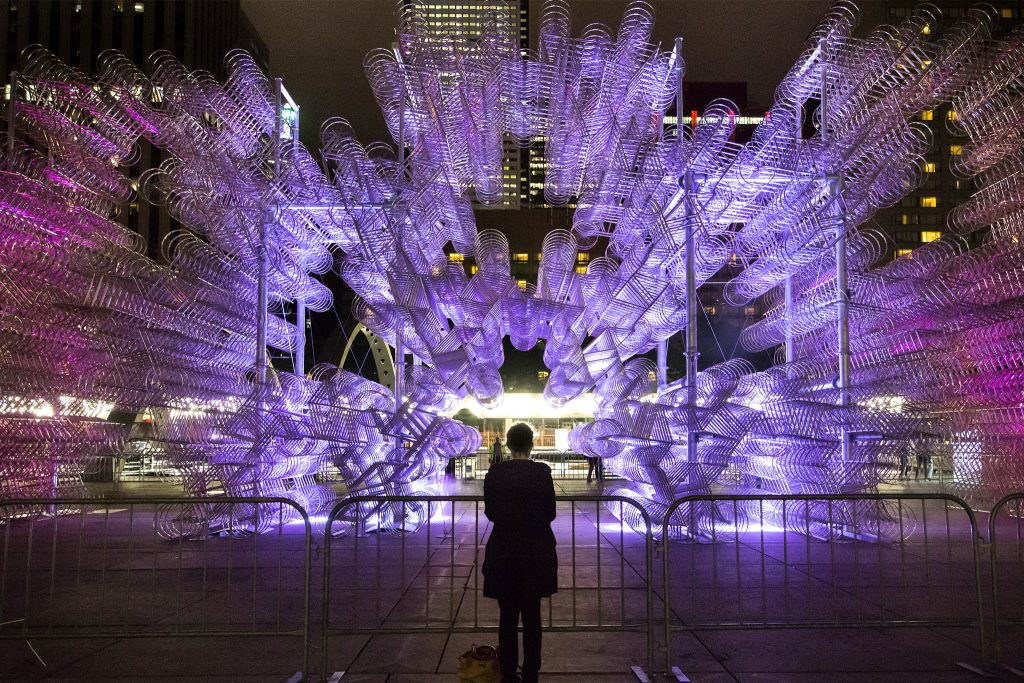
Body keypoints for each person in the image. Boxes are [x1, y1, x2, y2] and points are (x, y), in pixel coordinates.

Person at [483, 423, 557, 683]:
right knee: (532, 616)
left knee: (507, 617)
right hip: (535, 554)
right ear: (531, 444)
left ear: (508, 445)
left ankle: (508, 671)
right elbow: (551, 512)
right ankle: (531, 672)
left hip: (504, 552)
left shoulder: (495, 473)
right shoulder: (542, 472)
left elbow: (490, 512)